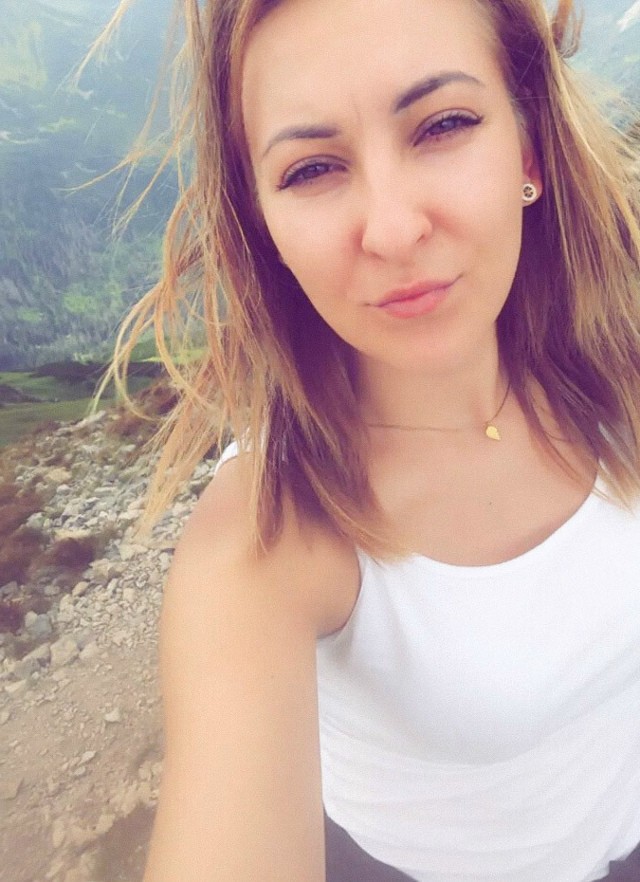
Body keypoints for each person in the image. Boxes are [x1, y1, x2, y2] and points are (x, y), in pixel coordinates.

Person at [104, 0, 640, 879]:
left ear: (530, 150)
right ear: (265, 226)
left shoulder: (621, 368)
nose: (392, 231)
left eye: (444, 125)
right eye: (312, 169)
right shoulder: (268, 538)